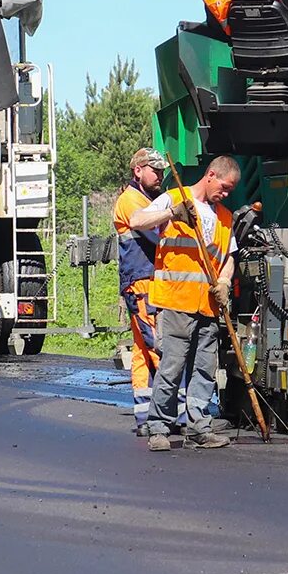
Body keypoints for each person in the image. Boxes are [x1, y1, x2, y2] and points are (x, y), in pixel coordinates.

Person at [129, 154, 243, 450]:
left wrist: (225, 282)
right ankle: (159, 428)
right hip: (176, 300)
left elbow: (229, 257)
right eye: (225, 187)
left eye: (230, 190)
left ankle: (199, 427)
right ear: (211, 175)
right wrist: (172, 213)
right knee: (172, 366)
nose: (226, 193)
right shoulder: (174, 198)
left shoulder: (224, 216)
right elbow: (137, 220)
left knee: (204, 369)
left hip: (208, 304)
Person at [113, 148, 168, 435]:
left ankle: (145, 415)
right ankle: (166, 415)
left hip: (145, 281)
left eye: (161, 171)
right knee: (157, 346)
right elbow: (146, 228)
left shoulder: (147, 199)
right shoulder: (130, 200)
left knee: (142, 351)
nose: (159, 175)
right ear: (138, 170)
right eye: (154, 170)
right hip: (142, 282)